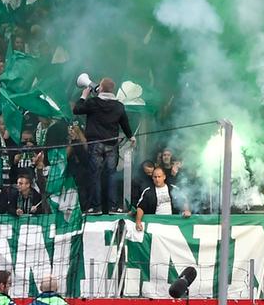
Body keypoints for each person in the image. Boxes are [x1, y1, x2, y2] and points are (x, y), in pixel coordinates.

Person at [73, 77, 134, 214]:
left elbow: (77, 109)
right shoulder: (119, 106)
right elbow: (125, 124)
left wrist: (83, 96)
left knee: (95, 175)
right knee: (111, 175)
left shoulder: (93, 103)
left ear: (100, 88)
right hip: (112, 145)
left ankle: (96, 207)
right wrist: (131, 136)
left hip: (95, 145)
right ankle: (113, 207)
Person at [134, 164, 190, 231]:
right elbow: (141, 207)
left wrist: (186, 210)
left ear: (164, 177)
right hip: (156, 224)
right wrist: (138, 221)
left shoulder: (173, 189)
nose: (157, 179)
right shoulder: (148, 191)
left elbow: (183, 200)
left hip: (172, 224)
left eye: (159, 177)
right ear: (152, 178)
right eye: (155, 177)